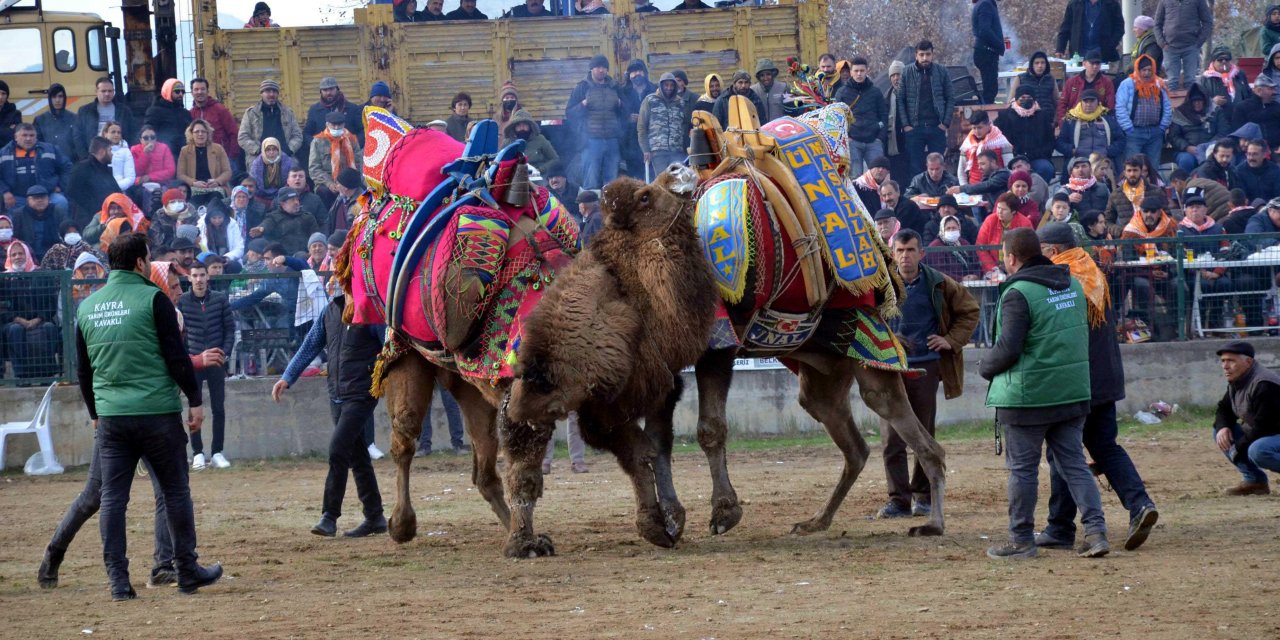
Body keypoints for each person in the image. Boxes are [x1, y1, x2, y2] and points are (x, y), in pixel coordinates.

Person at [75, 233, 224, 599]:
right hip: (157, 414)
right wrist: (195, 399)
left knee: (112, 499)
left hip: (112, 418)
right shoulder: (153, 299)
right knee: (175, 492)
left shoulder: (87, 307)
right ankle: (187, 572)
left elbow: (83, 371)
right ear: (141, 263)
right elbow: (176, 357)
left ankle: (118, 582)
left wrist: (95, 412)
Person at [980, 227, 1109, 559]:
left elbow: (1009, 348)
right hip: (1072, 393)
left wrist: (985, 367)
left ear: (1011, 258)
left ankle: (1022, 540)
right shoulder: (1073, 285)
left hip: (1028, 398)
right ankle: (1096, 533)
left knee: (1023, 469)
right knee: (1074, 464)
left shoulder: (1018, 293)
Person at [1036, 222, 1159, 552]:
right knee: (1105, 447)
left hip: (1078, 381)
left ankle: (1060, 528)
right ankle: (1140, 504)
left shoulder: (1061, 279)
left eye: (1040, 252)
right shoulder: (1091, 272)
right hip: (1106, 378)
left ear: (1052, 250)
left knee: (1064, 451)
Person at [874, 229, 979, 519]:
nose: (905, 256)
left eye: (910, 250)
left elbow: (970, 310)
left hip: (925, 367)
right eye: (900, 251)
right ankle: (898, 501)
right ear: (892, 254)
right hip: (888, 369)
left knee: (922, 432)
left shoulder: (939, 283)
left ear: (922, 253)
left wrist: (950, 340)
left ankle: (923, 497)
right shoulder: (881, 285)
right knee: (891, 438)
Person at [273, 292, 387, 538]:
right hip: (336, 393)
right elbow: (310, 344)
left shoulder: (372, 311)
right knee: (357, 456)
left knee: (338, 449)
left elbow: (389, 346)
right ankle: (375, 516)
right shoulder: (330, 310)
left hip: (361, 393)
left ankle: (329, 516)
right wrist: (287, 376)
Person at [178, 261, 234, 470]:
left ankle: (217, 451)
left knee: (218, 407)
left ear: (208, 277)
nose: (199, 280)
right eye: (195, 276)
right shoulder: (182, 302)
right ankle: (198, 452)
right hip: (193, 362)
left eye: (202, 275)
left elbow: (230, 329)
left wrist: (224, 353)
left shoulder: (220, 300)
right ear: (189, 278)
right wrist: (186, 358)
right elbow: (179, 334)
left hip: (216, 361)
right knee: (194, 407)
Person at [1212, 341, 1280, 496]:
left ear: (1248, 362)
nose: (1225, 366)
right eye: (1223, 361)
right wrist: (1223, 427)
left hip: (1272, 432)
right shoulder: (1238, 380)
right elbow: (1223, 408)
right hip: (1267, 433)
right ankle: (1255, 481)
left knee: (1259, 450)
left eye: (1231, 361)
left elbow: (1265, 426)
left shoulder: (1265, 383)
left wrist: (1238, 447)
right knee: (1220, 434)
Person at [1121, 195, 1178, 337]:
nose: (1148, 215)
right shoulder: (1131, 231)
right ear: (1140, 211)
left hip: (1166, 274)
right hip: (1142, 275)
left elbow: (1178, 256)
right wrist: (1149, 273)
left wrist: (1169, 273)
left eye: (1152, 212)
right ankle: (1150, 329)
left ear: (1160, 212)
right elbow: (1129, 261)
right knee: (1142, 286)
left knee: (1179, 285)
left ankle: (1175, 328)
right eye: (1145, 211)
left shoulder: (1170, 227)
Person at [566, 55, 624, 190]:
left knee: (612, 183)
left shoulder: (615, 87)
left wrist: (621, 104)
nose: (601, 70)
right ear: (591, 69)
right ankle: (591, 209)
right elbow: (569, 113)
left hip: (612, 140)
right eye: (598, 67)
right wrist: (582, 104)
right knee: (591, 180)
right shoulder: (582, 87)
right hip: (591, 141)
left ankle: (610, 210)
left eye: (604, 67)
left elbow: (627, 112)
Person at [898, 41, 954, 177]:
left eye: (928, 54)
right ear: (916, 55)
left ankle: (939, 195)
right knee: (915, 166)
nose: (925, 58)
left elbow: (950, 98)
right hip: (914, 128)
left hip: (936, 126)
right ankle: (917, 197)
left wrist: (945, 123)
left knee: (938, 166)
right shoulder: (907, 72)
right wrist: (906, 125)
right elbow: (901, 99)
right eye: (921, 55)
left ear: (932, 54)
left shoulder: (941, 71)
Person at [1, 122, 73, 215]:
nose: (28, 138)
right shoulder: (3, 153)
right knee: (12, 213)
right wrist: (5, 192)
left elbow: (67, 167)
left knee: (61, 202)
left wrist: (61, 185)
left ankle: (60, 229)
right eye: (24, 135)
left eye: (32, 135)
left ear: (36, 137)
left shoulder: (50, 149)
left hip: (47, 195)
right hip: (17, 198)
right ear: (16, 137)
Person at [833, 56, 887, 174]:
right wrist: (846, 138)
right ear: (851, 72)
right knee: (855, 178)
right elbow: (837, 118)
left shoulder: (875, 92)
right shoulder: (842, 92)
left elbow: (884, 115)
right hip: (853, 142)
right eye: (856, 71)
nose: (859, 74)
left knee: (879, 177)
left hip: (873, 141)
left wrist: (879, 138)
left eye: (862, 71)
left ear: (867, 71)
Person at [1115, 55, 1172, 164]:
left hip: (1155, 133)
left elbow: (1167, 106)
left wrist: (1163, 126)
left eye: (1149, 70)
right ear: (1138, 70)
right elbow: (1120, 107)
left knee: (1153, 167)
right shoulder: (1127, 84)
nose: (1146, 73)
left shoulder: (1159, 84)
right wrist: (1128, 128)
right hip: (1134, 132)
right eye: (1143, 70)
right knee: (1132, 165)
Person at [1056, 89, 1126, 175]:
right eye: (1085, 101)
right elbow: (1060, 143)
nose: (1089, 104)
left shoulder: (1108, 118)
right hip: (1079, 160)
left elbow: (1121, 140)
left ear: (1098, 102)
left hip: (1104, 159)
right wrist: (1073, 151)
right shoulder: (1071, 120)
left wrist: (1108, 151)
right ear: (1081, 102)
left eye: (1092, 101)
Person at [302, 77, 363, 173]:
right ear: (320, 92)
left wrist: (353, 145)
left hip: (348, 157)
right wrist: (317, 148)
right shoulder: (314, 110)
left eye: (331, 89)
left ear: (337, 89)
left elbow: (362, 131)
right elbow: (307, 133)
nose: (328, 93)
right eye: (325, 90)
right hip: (324, 159)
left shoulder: (352, 108)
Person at [238, 79, 304, 168]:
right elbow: (243, 137)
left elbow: (297, 135)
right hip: (258, 156)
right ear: (261, 93)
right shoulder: (251, 113)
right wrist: (258, 150)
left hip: (285, 155)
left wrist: (289, 150)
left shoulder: (288, 112)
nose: (272, 94)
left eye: (274, 91)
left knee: (294, 171)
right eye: (268, 91)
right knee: (255, 170)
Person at [996, 87, 1055, 185]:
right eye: (1022, 98)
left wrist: (1041, 153)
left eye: (1029, 98)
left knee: (1046, 168)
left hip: (1036, 157)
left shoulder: (1042, 116)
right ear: (1016, 99)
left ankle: (1036, 193)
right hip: (1012, 157)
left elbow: (1050, 140)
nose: (1025, 100)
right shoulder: (1005, 116)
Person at [1154, 0, 1212, 91]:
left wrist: (1198, 42)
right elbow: (1157, 24)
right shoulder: (1164, 1)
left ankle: (1190, 104)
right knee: (1172, 82)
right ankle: (1173, 105)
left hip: (1191, 47)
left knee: (1190, 82)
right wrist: (1162, 43)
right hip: (1170, 48)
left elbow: (1208, 22)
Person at [308, 112, 362, 208]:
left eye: (339, 124)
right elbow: (314, 168)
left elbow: (359, 163)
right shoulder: (318, 141)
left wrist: (348, 183)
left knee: (364, 194)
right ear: (327, 125)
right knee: (324, 192)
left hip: (349, 181)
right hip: (327, 182)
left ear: (344, 124)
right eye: (333, 125)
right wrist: (330, 184)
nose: (336, 127)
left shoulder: (352, 139)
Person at [75, 77, 137, 160]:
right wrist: (85, 157)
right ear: (96, 92)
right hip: (93, 157)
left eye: (110, 91)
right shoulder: (85, 111)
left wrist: (128, 153)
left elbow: (133, 133)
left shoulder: (124, 111)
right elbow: (77, 136)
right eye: (103, 91)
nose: (107, 94)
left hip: (118, 156)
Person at [637, 73, 686, 178]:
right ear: (661, 85)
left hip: (677, 151)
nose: (669, 88)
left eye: (672, 85)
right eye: (666, 85)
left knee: (677, 183)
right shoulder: (650, 100)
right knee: (663, 183)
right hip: (658, 152)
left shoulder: (680, 103)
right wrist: (645, 149)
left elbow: (683, 126)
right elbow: (642, 127)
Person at [65, 137, 122, 228]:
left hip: (110, 215)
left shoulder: (105, 169)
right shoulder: (81, 168)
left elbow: (116, 191)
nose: (112, 154)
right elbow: (72, 191)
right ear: (102, 151)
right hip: (89, 221)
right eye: (110, 150)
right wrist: (95, 207)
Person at [188, 77, 241, 174]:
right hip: (200, 160)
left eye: (203, 89)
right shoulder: (191, 114)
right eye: (196, 89)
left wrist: (231, 156)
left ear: (207, 91)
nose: (200, 92)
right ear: (192, 92)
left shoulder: (220, 110)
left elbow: (233, 132)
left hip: (222, 158)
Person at [976, 192, 1034, 275]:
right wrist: (992, 268)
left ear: (1013, 211)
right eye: (998, 208)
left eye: (1004, 209)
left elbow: (1028, 250)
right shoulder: (990, 220)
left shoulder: (1025, 223)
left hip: (1017, 269)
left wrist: (1016, 269)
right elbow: (980, 246)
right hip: (992, 267)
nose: (999, 211)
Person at [178, 119, 232, 206]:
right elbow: (180, 174)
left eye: (203, 131)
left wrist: (217, 181)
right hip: (194, 188)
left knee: (215, 202)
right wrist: (193, 183)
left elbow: (227, 172)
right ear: (191, 134)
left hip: (215, 187)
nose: (200, 134)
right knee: (194, 204)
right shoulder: (185, 151)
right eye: (197, 132)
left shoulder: (218, 148)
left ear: (208, 134)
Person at [1168, 84, 1217, 173]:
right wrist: (1186, 147)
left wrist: (1209, 147)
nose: (1197, 103)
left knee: (1218, 159)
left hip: (1212, 148)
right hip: (1188, 151)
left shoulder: (1215, 111)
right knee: (1186, 161)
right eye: (1194, 101)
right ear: (1189, 101)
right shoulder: (1180, 113)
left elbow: (1223, 131)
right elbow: (1173, 136)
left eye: (1200, 101)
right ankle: (1186, 185)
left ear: (1205, 101)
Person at [1055, 0, 1125, 63]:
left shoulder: (1112, 4)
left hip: (1103, 52)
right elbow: (1065, 27)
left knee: (1101, 76)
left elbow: (1119, 27)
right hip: (1079, 53)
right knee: (1079, 76)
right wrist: (1060, 48)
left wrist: (1111, 44)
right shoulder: (1074, 3)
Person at [947, 150, 1010, 219]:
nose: (979, 167)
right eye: (978, 164)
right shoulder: (987, 177)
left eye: (983, 164)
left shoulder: (1003, 174)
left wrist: (961, 189)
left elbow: (986, 186)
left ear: (993, 162)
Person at [144, 79, 193, 166]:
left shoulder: (185, 113)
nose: (181, 94)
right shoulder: (155, 111)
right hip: (164, 157)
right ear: (168, 91)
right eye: (177, 91)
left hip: (185, 156)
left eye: (183, 92)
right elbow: (148, 131)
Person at [957, 111, 1011, 190]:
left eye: (980, 127)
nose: (976, 131)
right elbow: (961, 171)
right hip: (974, 190)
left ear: (989, 125)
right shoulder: (967, 145)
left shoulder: (1002, 142)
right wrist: (965, 189)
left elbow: (1009, 168)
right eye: (974, 128)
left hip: (997, 189)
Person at [259, 187, 318, 255]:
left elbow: (315, 236)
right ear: (283, 204)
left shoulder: (308, 217)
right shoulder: (273, 217)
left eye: (297, 199)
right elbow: (267, 224)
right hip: (281, 258)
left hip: (304, 257)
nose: (296, 203)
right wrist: (262, 228)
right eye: (292, 200)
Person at [11, 186, 64, 262]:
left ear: (48, 199)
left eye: (43, 197)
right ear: (28, 200)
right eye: (35, 198)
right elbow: (15, 237)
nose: (40, 200)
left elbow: (64, 233)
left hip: (54, 254)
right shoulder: (19, 214)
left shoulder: (57, 211)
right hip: (28, 255)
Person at [924, 212, 981, 281]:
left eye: (954, 228)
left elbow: (976, 263)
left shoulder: (964, 243)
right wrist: (961, 279)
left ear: (959, 229)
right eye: (948, 228)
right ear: (942, 230)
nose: (951, 230)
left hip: (971, 283)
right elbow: (939, 271)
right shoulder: (936, 246)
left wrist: (976, 275)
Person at [1230, 74, 1280, 151]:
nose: (1275, 92)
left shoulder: (1277, 107)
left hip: (1276, 150)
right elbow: (1237, 133)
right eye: (1270, 89)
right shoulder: (1242, 107)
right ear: (1259, 90)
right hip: (1250, 151)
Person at [1104, 156, 1155, 228]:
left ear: (1141, 171)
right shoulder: (1116, 195)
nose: (1132, 174)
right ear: (1124, 172)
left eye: (1135, 170)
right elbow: (1107, 220)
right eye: (1129, 170)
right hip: (1126, 236)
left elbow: (1167, 216)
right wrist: (1119, 231)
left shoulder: (1155, 191)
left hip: (1153, 237)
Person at [417, 387, 469, 456]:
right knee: (424, 406)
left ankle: (458, 444)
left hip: (444, 377)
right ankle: (424, 446)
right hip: (425, 376)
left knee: (451, 404)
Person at [711, 70, 766, 136]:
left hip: (751, 138)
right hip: (729, 140)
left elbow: (762, 122)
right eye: (740, 82)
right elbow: (716, 125)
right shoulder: (723, 100)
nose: (743, 85)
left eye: (746, 82)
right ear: (734, 83)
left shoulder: (755, 99)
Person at [131, 125, 176, 202]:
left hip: (161, 183)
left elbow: (171, 170)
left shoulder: (164, 148)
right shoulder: (134, 149)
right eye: (146, 138)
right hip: (141, 184)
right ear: (140, 140)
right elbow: (135, 171)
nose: (149, 140)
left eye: (152, 137)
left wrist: (150, 177)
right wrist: (145, 154)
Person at [34, 84, 78, 163]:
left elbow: (78, 144)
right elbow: (37, 144)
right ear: (49, 99)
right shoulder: (40, 120)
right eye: (54, 97)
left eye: (60, 96)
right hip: (48, 164)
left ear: (64, 98)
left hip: (70, 164)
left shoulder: (74, 118)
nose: (57, 100)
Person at [971, 0, 1004, 105]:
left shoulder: (982, 3)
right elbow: (984, 30)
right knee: (990, 91)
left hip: (984, 52)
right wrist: (999, 44)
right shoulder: (986, 4)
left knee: (989, 89)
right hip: (987, 53)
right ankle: (987, 118)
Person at [1008, 51, 1058, 120]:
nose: (1040, 66)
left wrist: (1056, 119)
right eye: (1037, 63)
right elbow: (1011, 101)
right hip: (1027, 119)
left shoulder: (1051, 79)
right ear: (1032, 65)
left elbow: (1057, 102)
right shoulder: (1020, 78)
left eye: (1043, 63)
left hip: (1048, 119)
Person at [248, 137, 294, 205]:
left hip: (282, 197)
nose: (271, 152)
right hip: (260, 197)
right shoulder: (257, 164)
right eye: (268, 150)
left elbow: (290, 182)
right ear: (263, 150)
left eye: (274, 149)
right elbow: (254, 183)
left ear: (279, 149)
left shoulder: (287, 161)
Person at [1237, 139, 1280, 203]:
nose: (1251, 158)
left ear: (1264, 155)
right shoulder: (1239, 171)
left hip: (1271, 209)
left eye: (1255, 154)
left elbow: (1278, 196)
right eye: (1249, 154)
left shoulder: (1275, 171)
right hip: (1249, 209)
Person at [324, 168, 362, 237]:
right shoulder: (341, 197)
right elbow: (329, 219)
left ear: (345, 187)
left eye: (338, 184)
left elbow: (351, 225)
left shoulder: (360, 202)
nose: (336, 186)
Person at [750, 58, 787, 124]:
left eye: (768, 74)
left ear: (773, 74)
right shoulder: (753, 90)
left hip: (779, 129)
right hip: (760, 130)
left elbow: (791, 111)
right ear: (758, 77)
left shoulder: (783, 88)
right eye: (762, 75)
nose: (765, 78)